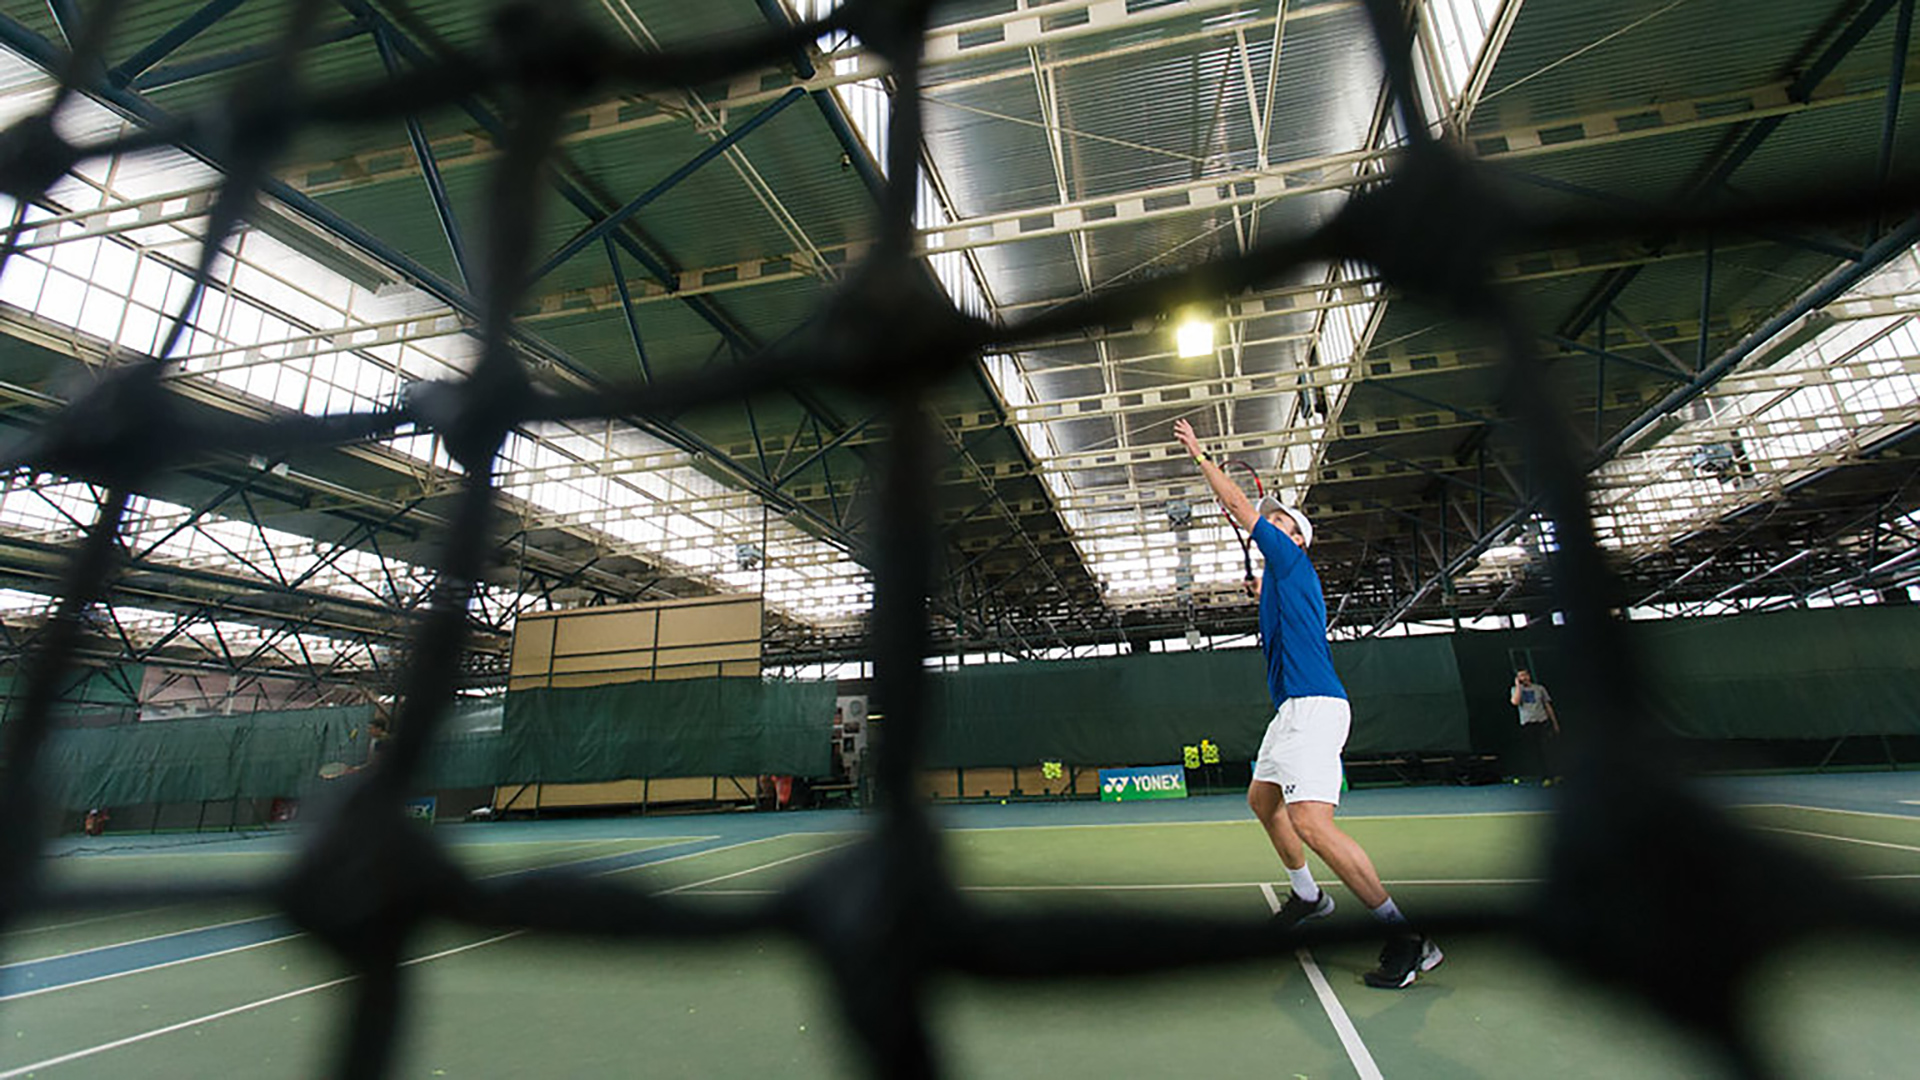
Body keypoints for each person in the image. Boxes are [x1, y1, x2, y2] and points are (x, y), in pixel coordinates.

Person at [1174, 418, 1443, 990]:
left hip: (1315, 707)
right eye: (1270, 520)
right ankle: (1309, 898)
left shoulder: (1293, 561)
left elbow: (1239, 505)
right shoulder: (1281, 578)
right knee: (1261, 801)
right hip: (1291, 711)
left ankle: (1408, 937)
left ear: (1295, 538)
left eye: (1279, 521)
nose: (1267, 521)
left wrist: (1201, 456)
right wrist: (1261, 591)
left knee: (1313, 825)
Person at [1509, 669, 1560, 785]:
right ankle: (1545, 776)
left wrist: (1554, 722)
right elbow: (1515, 702)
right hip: (1528, 723)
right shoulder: (1515, 690)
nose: (1524, 677)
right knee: (1537, 751)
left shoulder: (1539, 688)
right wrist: (1518, 686)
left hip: (1542, 721)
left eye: (1525, 674)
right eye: (1521, 676)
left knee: (1548, 749)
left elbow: (1547, 705)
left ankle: (1555, 774)